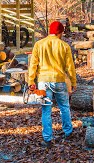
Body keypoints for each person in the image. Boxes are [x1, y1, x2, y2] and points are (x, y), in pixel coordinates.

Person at [28, 20, 77, 148]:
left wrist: (31, 81)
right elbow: (70, 67)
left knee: (46, 110)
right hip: (60, 80)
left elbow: (33, 65)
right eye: (62, 33)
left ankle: (47, 139)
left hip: (43, 82)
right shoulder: (64, 46)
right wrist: (73, 81)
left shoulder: (39, 44)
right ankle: (68, 132)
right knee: (64, 107)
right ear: (59, 32)